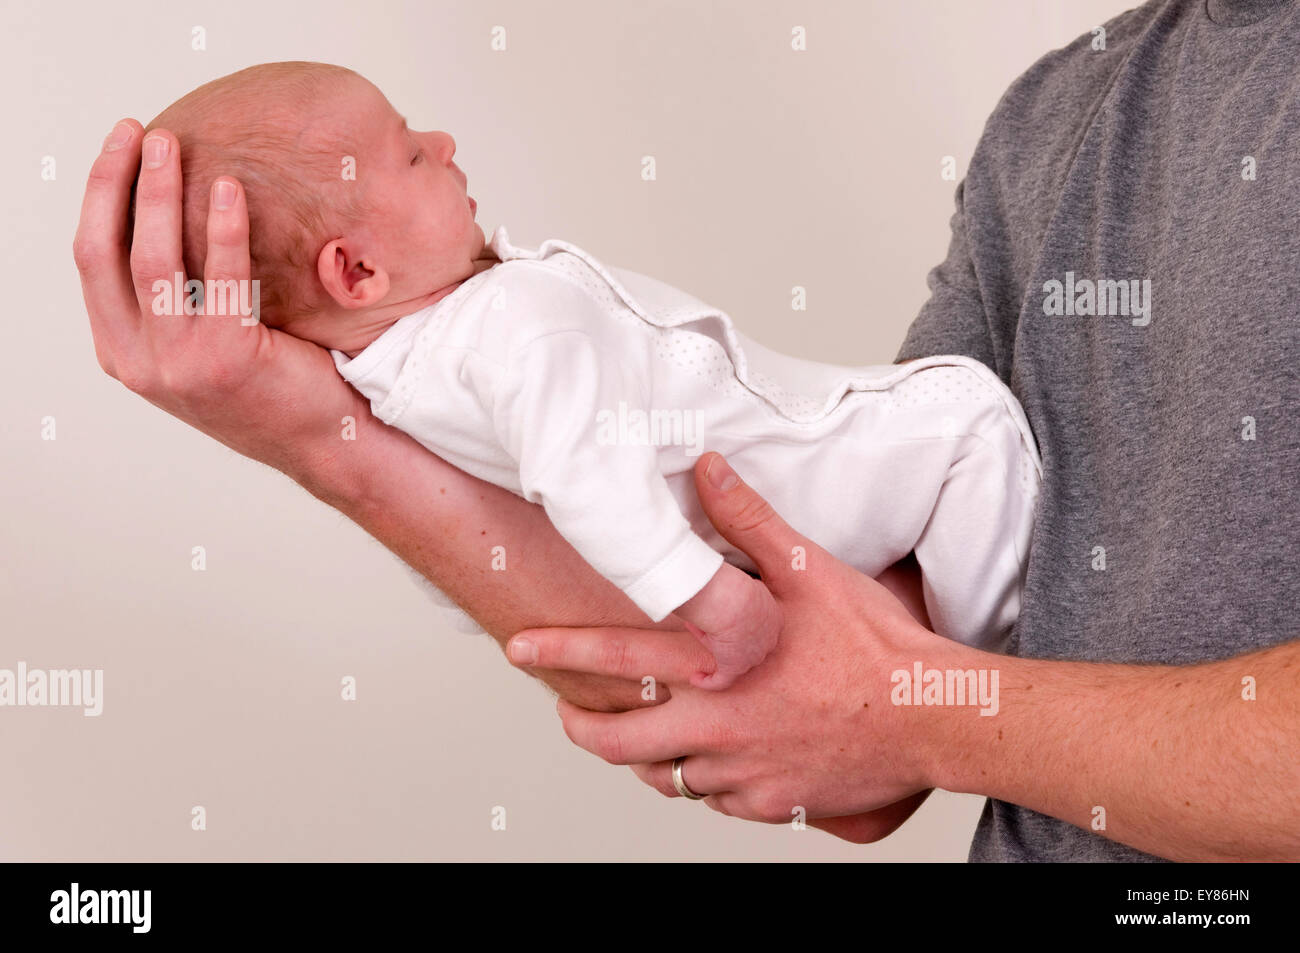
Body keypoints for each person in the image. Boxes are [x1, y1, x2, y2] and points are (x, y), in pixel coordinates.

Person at [76, 0, 1299, 861]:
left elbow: (884, 707)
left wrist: (929, 706)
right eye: (407, 151)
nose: (445, 147)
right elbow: (846, 746)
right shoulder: (1052, 120)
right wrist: (316, 439)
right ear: (352, 267)